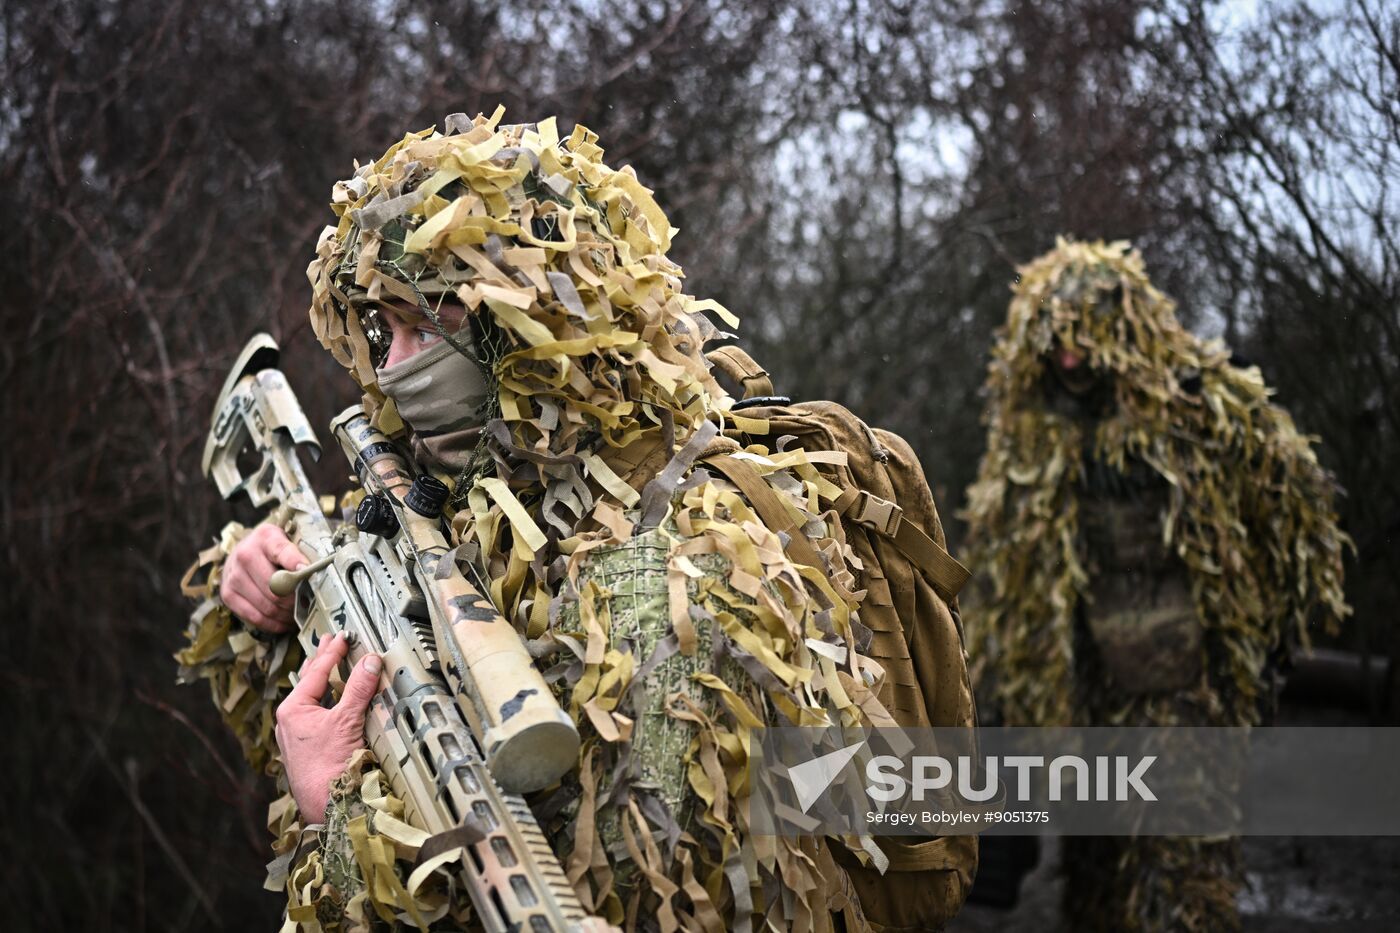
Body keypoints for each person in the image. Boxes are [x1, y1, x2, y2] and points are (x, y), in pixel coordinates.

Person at [179, 111, 973, 931]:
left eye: (429, 323)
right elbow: (338, 608)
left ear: (530, 327)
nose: (393, 367)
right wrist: (256, 581)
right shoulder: (475, 494)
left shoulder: (669, 581)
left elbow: (614, 906)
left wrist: (338, 813)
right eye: (385, 330)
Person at [961, 239, 1351, 931]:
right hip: (1080, 691)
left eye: (1087, 337)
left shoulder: (1193, 400)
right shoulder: (1030, 423)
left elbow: (1295, 501)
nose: (1071, 356)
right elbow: (1004, 561)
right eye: (1058, 340)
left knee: (1183, 866)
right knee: (1098, 871)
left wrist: (1270, 630)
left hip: (1177, 688)